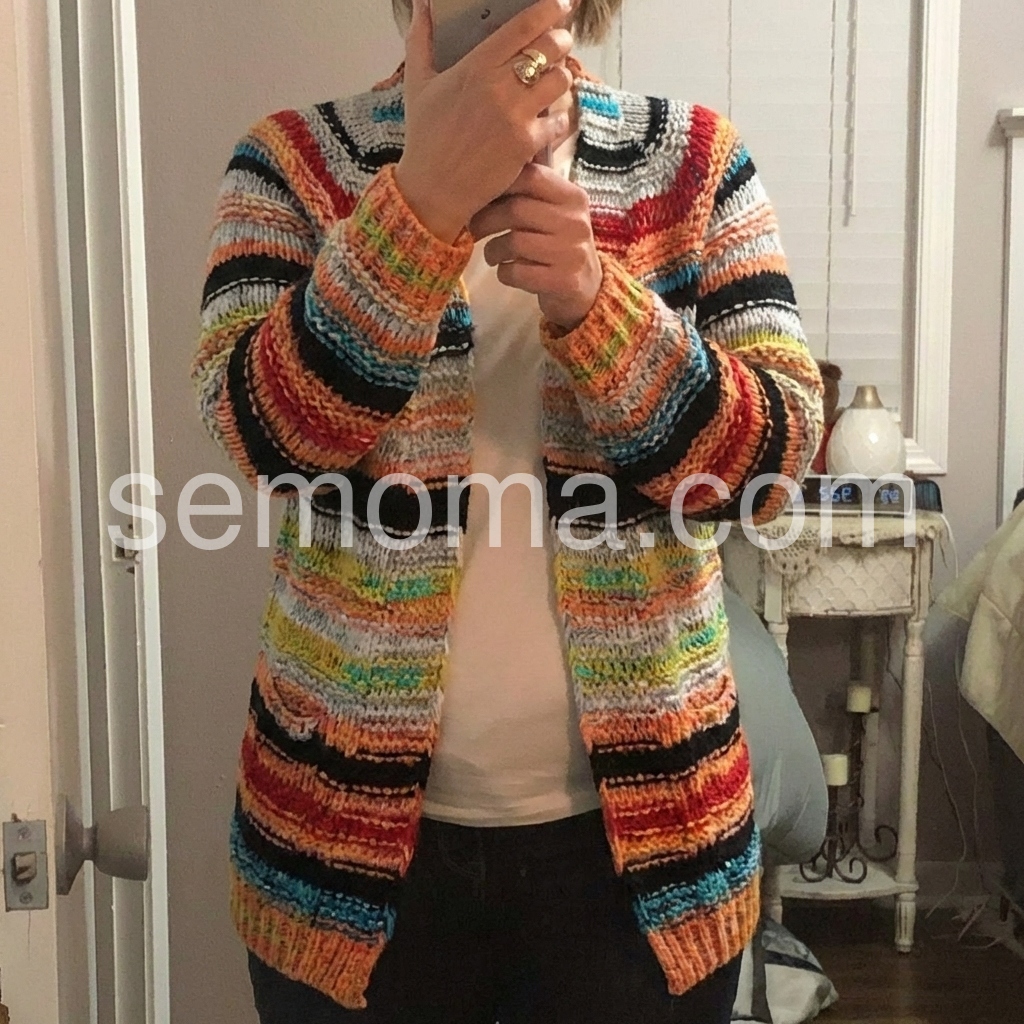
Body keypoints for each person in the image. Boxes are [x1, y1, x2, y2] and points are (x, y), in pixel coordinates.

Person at [190, 0, 825, 1020]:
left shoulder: (694, 165)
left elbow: (770, 470)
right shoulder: (293, 164)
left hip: (643, 856)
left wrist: (595, 300)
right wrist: (420, 206)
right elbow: (266, 436)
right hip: (343, 843)